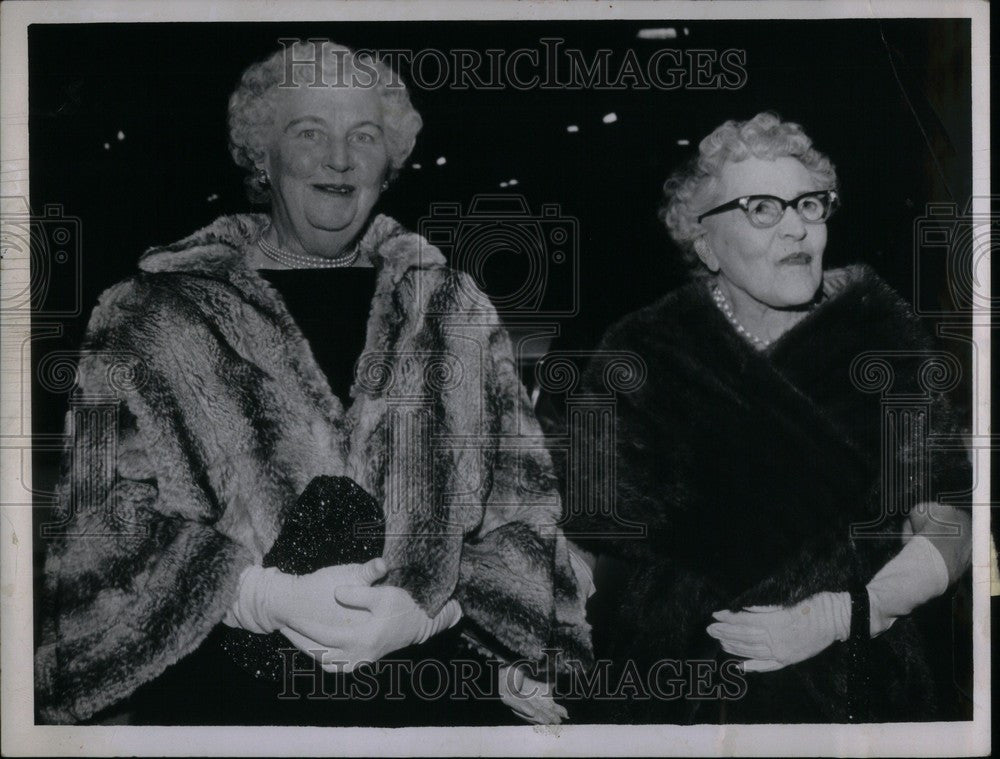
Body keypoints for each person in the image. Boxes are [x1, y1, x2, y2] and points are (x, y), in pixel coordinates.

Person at [35, 40, 591, 726]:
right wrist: (253, 595)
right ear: (260, 157)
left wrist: (436, 608)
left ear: (389, 163)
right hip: (227, 706)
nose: (338, 158)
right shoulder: (149, 313)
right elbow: (96, 523)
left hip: (430, 700)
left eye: (363, 135)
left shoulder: (452, 307)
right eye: (309, 133)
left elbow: (521, 507)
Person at [559, 112, 971, 723]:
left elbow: (950, 523)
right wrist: (542, 637)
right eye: (762, 209)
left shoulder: (883, 338)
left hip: (853, 682)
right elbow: (584, 537)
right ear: (704, 242)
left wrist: (849, 612)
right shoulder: (641, 351)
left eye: (809, 205)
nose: (795, 230)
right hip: (673, 689)